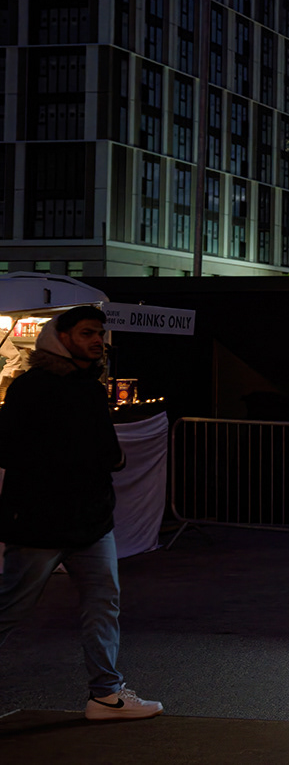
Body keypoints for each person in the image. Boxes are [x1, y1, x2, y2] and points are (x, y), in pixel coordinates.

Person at [0, 306, 163, 721]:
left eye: (99, 334)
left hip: (82, 520)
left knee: (101, 604)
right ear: (62, 337)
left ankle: (107, 694)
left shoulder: (71, 386)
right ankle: (106, 694)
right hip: (48, 521)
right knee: (14, 608)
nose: (97, 341)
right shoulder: (42, 388)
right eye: (88, 333)